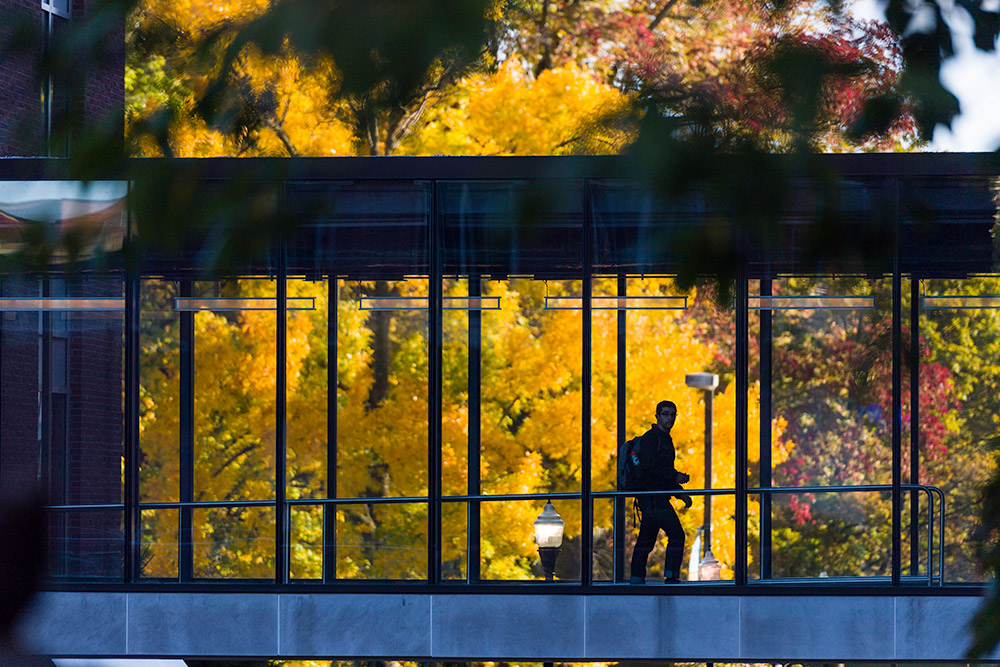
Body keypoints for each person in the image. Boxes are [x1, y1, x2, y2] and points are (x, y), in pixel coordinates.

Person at [630, 399, 692, 584]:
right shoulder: (652, 439)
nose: (670, 418)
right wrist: (675, 478)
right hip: (653, 499)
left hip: (652, 498)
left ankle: (636, 578)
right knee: (676, 534)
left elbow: (660, 473)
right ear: (657, 416)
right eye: (665, 414)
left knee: (646, 540)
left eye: (673, 414)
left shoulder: (663, 440)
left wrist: (679, 491)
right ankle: (671, 576)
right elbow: (652, 467)